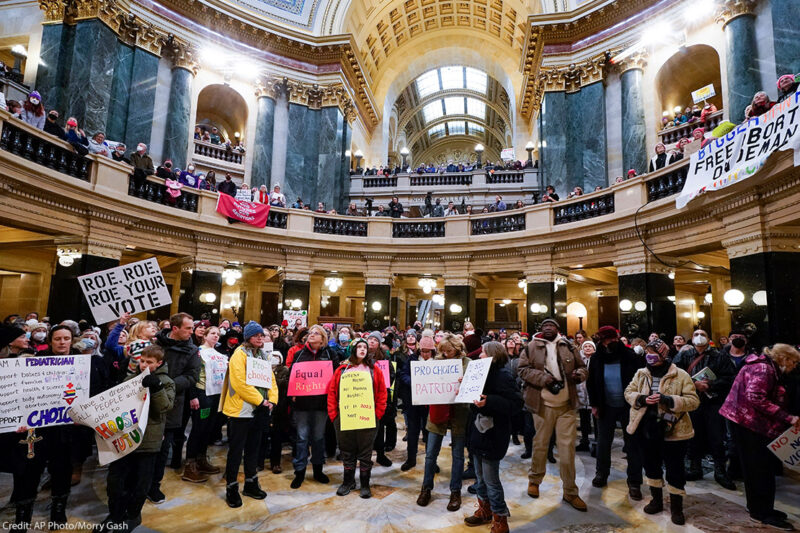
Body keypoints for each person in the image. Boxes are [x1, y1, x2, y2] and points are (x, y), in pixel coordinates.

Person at [720, 344, 800, 530]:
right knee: (759, 469)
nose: (795, 366)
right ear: (784, 359)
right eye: (794, 362)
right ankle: (761, 513)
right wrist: (787, 417)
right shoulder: (763, 368)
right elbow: (755, 397)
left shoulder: (766, 366)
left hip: (748, 422)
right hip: (748, 424)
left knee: (757, 468)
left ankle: (759, 507)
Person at [625, 339, 700, 525]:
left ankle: (676, 507)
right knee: (651, 465)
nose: (650, 357)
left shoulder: (680, 374)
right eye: (648, 353)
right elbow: (628, 392)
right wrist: (642, 398)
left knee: (675, 468)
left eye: (654, 353)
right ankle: (656, 500)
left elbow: (693, 401)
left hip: (673, 430)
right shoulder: (641, 373)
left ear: (663, 355)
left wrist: (668, 400)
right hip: (647, 428)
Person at [517, 318, 588, 511]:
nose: (548, 328)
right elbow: (522, 370)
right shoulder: (531, 346)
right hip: (542, 405)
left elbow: (583, 367)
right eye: (545, 325)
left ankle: (570, 492)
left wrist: (579, 375)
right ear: (540, 329)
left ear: (557, 329)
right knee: (540, 445)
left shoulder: (569, 346)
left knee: (567, 451)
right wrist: (544, 379)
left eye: (552, 326)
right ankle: (534, 481)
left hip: (566, 405)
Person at [10, 325, 77, 530]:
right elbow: (20, 394)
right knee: (29, 472)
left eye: (66, 338)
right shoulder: (34, 362)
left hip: (66, 430)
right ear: (50, 340)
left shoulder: (83, 362)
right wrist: (18, 419)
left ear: (71, 340)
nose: (62, 342)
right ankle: (22, 516)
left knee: (62, 470)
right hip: (36, 430)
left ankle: (58, 510)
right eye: (58, 338)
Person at [104, 345, 175, 531]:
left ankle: (133, 514)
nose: (144, 364)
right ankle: (115, 514)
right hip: (125, 436)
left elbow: (165, 407)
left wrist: (157, 387)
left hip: (148, 440)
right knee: (116, 480)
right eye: (142, 361)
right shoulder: (130, 378)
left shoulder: (166, 381)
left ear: (159, 363)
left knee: (140, 482)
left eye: (149, 362)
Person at [463, 341, 522, 533]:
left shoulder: (503, 376)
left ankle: (500, 518)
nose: (479, 355)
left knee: (491, 480)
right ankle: (485, 509)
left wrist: (490, 402)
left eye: (483, 353)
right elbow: (474, 402)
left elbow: (515, 404)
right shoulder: (478, 374)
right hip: (478, 432)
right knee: (479, 479)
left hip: (493, 434)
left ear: (493, 356)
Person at [220, 321, 277, 507]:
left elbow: (271, 380)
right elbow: (239, 383)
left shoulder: (262, 355)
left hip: (259, 410)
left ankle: (251, 483)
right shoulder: (239, 354)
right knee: (236, 451)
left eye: (262, 335)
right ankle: (232, 487)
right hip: (241, 411)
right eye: (256, 335)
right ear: (248, 337)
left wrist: (272, 400)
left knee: (254, 449)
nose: (260, 338)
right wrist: (261, 400)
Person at [672, 329, 736, 489]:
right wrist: (694, 385)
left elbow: (730, 378)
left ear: (709, 339)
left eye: (703, 334)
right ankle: (695, 468)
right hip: (692, 402)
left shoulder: (720, 356)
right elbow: (674, 376)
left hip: (713, 402)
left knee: (716, 437)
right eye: (695, 334)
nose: (699, 337)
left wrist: (710, 385)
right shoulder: (684, 355)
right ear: (691, 339)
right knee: (694, 435)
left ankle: (720, 471)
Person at [148, 313, 200, 504]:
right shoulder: (155, 344)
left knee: (162, 448)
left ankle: (154, 486)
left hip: (171, 404)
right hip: (145, 401)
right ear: (175, 329)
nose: (191, 331)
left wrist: (165, 384)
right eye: (188, 328)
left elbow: (192, 376)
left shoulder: (192, 350)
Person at [587, 326, 644, 498]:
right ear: (601, 341)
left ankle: (634, 481)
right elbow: (591, 383)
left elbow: (641, 379)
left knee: (633, 444)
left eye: (613, 339)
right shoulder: (597, 358)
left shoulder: (630, 356)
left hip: (629, 406)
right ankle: (601, 474)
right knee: (604, 443)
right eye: (606, 339)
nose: (610, 342)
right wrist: (595, 404)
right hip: (606, 405)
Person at [327, 337, 387, 498]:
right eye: (359, 347)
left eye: (364, 347)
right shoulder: (342, 370)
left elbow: (382, 393)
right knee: (347, 451)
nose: (362, 349)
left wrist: (377, 413)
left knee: (365, 452)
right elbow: (332, 392)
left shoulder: (375, 370)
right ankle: (348, 482)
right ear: (352, 350)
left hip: (368, 418)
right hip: (344, 417)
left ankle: (365, 483)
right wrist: (334, 415)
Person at [417, 333, 470, 512]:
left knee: (458, 455)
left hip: (459, 412)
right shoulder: (435, 364)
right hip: (438, 412)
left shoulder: (467, 363)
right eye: (444, 351)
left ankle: (455, 491)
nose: (447, 353)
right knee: (431, 454)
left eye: (450, 350)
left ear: (458, 348)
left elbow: (475, 386)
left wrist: (466, 382)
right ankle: (426, 488)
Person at [288, 324, 333, 488]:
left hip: (321, 404)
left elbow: (335, 378)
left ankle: (318, 470)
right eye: (310, 333)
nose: (311, 335)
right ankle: (299, 471)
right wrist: (292, 393)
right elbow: (293, 376)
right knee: (301, 438)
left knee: (318, 438)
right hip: (302, 404)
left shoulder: (330, 354)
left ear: (323, 338)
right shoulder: (299, 355)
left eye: (316, 333)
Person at [183, 326, 226, 483]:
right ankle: (190, 465)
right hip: (202, 394)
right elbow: (192, 374)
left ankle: (201, 460)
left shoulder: (219, 355)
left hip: (215, 395)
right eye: (213, 333)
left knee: (209, 429)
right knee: (198, 428)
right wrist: (193, 396)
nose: (216, 336)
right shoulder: (198, 351)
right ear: (205, 336)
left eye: (218, 334)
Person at [398, 334, 434, 471]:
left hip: (430, 404)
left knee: (429, 433)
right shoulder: (412, 359)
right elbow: (403, 374)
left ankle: (431, 461)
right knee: (413, 432)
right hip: (414, 402)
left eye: (428, 351)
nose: (425, 354)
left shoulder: (437, 361)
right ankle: (411, 459)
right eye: (423, 351)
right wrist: (413, 382)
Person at [576, 340, 595, 453]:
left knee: (596, 421)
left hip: (593, 394)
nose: (587, 348)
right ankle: (584, 441)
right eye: (585, 346)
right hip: (582, 392)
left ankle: (597, 443)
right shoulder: (579, 361)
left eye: (590, 346)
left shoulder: (597, 359)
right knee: (584, 419)